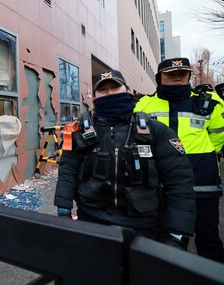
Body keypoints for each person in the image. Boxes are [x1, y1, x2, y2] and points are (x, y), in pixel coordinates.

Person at [54, 69, 196, 250]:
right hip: (91, 220)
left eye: (115, 87)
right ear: (94, 97)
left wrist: (178, 233)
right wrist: (63, 210)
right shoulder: (81, 131)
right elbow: (68, 169)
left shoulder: (156, 131)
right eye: (103, 90)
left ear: (128, 91)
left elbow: (179, 182)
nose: (109, 93)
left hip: (144, 226)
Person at [134, 57, 224, 263]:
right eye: (170, 74)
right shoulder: (144, 105)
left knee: (207, 236)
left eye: (181, 74)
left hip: (202, 183)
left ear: (189, 77)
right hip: (160, 184)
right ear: (159, 78)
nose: (177, 78)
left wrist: (203, 156)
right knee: (162, 237)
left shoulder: (208, 103)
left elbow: (219, 137)